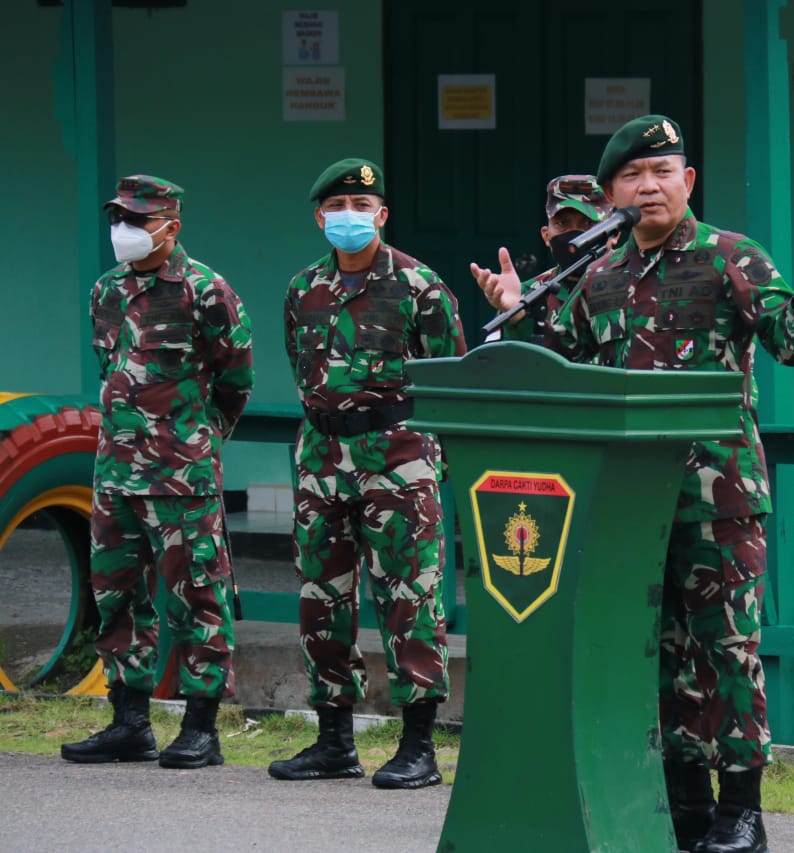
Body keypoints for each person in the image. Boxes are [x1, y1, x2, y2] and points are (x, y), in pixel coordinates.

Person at [475, 115, 794, 853]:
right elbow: (564, 366)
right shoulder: (599, 275)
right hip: (628, 502)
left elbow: (786, 342)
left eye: (663, 172)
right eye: (633, 178)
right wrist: (516, 312)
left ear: (689, 182)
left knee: (726, 645)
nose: (649, 187)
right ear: (612, 192)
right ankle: (685, 799)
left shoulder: (730, 257)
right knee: (658, 650)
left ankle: (743, 807)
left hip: (718, 495)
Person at [270, 158, 466, 789]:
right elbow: (301, 371)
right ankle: (334, 740)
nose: (348, 218)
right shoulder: (304, 289)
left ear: (381, 215)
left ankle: (418, 746)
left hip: (399, 456)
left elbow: (450, 375)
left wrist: (431, 457)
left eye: (361, 207)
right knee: (320, 597)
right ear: (318, 217)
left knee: (410, 597)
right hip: (322, 458)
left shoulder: (419, 285)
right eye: (336, 208)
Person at [62, 175, 254, 770]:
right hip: (115, 471)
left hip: (180, 475)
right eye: (119, 219)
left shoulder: (206, 291)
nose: (125, 231)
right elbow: (111, 365)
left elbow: (235, 379)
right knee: (115, 594)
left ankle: (201, 729)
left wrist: (194, 439)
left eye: (138, 221)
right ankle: (129, 721)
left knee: (195, 594)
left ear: (172, 226)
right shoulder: (106, 291)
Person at [481, 174, 612, 344]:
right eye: (562, 224)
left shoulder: (635, 284)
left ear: (613, 233)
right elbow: (501, 363)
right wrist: (516, 317)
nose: (574, 236)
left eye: (587, 223)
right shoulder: (527, 296)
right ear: (546, 236)